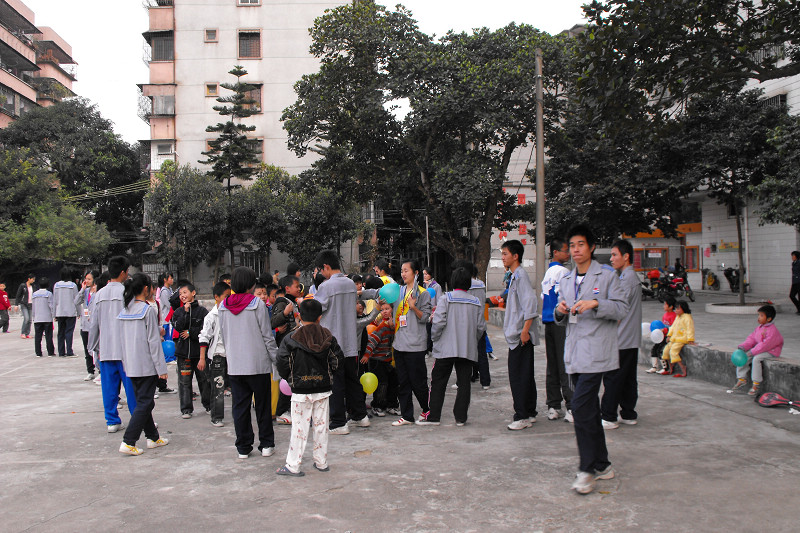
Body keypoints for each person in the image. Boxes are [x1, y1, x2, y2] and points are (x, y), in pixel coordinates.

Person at [554, 225, 627, 495]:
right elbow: (561, 317)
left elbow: (622, 308)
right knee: (589, 412)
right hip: (574, 354)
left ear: (592, 247)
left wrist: (595, 304)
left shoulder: (606, 277)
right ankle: (603, 464)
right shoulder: (566, 280)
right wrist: (560, 310)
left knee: (581, 408)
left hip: (597, 353)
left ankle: (586, 469)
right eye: (572, 245)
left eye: (581, 244)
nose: (575, 250)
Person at [275, 299, 345, 476]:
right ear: (320, 317)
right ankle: (321, 462)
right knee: (321, 426)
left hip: (300, 391)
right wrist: (328, 376)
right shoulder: (328, 337)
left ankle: (293, 466)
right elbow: (337, 360)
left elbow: (282, 362)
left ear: (299, 315)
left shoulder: (290, 338)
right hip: (323, 389)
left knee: (299, 429)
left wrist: (291, 379)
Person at [218, 267, 279, 459]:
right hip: (257, 363)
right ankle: (266, 444)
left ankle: (243, 447)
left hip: (236, 364)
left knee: (240, 407)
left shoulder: (223, 306)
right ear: (251, 284)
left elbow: (224, 334)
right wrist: (275, 359)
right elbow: (267, 336)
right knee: (262, 405)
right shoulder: (257, 304)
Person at [313, 250, 370, 434]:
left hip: (332, 342)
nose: (321, 274)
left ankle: (338, 422)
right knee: (352, 380)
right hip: (350, 341)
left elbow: (315, 310)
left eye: (321, 271)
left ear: (326, 267)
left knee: (335, 383)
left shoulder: (326, 287)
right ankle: (360, 415)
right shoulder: (350, 284)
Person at [422, 267, 486, 426]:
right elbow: (480, 327)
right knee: (464, 383)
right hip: (466, 349)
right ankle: (461, 417)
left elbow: (438, 322)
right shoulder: (475, 301)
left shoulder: (446, 298)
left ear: (453, 281)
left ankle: (434, 416)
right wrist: (472, 340)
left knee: (438, 382)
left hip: (445, 348)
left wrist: (434, 339)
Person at [117, 273, 170, 455]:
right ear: (147, 289)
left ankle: (153, 438)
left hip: (131, 364)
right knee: (145, 403)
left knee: (143, 402)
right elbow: (154, 343)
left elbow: (122, 341)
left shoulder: (125, 310)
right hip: (146, 365)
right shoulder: (147, 311)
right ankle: (128, 441)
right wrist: (161, 368)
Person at [380, 259, 432, 427]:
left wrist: (414, 307)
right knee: (403, 382)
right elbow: (387, 303)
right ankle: (407, 415)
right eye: (402, 271)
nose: (403, 274)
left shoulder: (423, 293)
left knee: (418, 382)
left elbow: (425, 318)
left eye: (406, 271)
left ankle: (426, 409)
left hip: (416, 345)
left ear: (416, 273)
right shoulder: (399, 291)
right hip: (399, 344)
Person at [89, 256, 137, 433]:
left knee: (109, 388)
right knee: (131, 386)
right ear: (123, 272)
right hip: (125, 350)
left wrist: (93, 347)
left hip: (106, 349)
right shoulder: (127, 293)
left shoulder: (99, 294)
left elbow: (93, 324)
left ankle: (112, 420)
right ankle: (137, 417)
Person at [600, 239, 642, 429]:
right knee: (627, 378)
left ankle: (608, 415)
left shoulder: (627, 280)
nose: (611, 259)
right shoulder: (630, 278)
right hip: (630, 338)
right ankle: (628, 412)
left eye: (615, 255)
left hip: (622, 338)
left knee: (613, 377)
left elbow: (617, 309)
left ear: (626, 257)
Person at [501, 239, 540, 430]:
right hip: (517, 334)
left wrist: (525, 331)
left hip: (520, 335)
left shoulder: (521, 276)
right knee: (526, 374)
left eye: (505, 254)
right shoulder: (514, 276)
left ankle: (522, 415)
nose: (503, 258)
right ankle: (530, 411)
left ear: (515, 256)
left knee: (518, 377)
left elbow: (531, 304)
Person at [541, 238, 573, 422]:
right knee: (564, 364)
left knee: (552, 364)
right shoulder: (564, 272)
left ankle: (553, 405)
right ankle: (571, 406)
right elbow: (566, 297)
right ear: (556, 252)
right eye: (565, 250)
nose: (568, 254)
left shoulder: (548, 273)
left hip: (547, 321)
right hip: (560, 322)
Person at [171, 282, 210, 418]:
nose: (182, 296)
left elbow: (206, 330)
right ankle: (186, 409)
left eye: (185, 292)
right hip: (183, 353)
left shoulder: (203, 312)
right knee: (184, 382)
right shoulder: (178, 312)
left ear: (193, 293)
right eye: (181, 294)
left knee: (204, 380)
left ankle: (208, 405)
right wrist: (186, 313)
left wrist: (190, 332)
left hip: (199, 353)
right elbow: (177, 326)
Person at [729, 305, 783, 396]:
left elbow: (765, 345)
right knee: (744, 356)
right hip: (761, 349)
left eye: (761, 315)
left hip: (772, 351)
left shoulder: (772, 330)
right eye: (759, 315)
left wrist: (752, 352)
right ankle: (741, 379)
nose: (759, 317)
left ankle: (756, 384)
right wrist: (744, 347)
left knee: (756, 359)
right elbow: (752, 339)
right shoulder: (759, 328)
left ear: (769, 319)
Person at [199, 281, 233, 427]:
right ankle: (216, 416)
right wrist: (202, 359)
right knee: (218, 387)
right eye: (225, 296)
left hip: (231, 355)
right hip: (217, 355)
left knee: (234, 386)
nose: (228, 299)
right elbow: (204, 337)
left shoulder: (232, 312)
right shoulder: (211, 317)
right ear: (217, 297)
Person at [272, 275, 302, 424]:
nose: (299, 288)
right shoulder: (282, 302)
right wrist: (284, 314)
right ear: (287, 288)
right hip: (286, 348)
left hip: (295, 346)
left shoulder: (294, 302)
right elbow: (272, 322)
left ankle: (290, 409)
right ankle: (281, 412)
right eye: (296, 286)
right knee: (287, 380)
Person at [360, 301, 397, 416]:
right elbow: (372, 341)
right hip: (378, 360)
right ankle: (377, 405)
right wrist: (367, 355)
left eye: (387, 309)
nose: (385, 311)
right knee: (382, 384)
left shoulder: (394, 326)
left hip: (390, 360)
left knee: (393, 383)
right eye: (382, 309)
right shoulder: (382, 326)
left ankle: (391, 404)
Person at [75, 270, 100, 380]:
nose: (87, 281)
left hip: (94, 324)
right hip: (85, 324)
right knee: (87, 349)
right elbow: (76, 302)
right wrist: (82, 290)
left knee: (97, 349)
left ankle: (99, 370)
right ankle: (90, 370)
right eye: (86, 279)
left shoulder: (99, 291)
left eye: (89, 279)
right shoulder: (85, 291)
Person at [660, 301, 694, 377]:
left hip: (681, 339)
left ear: (683, 309)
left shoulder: (687, 318)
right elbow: (672, 327)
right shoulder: (678, 317)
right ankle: (670, 368)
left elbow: (690, 329)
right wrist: (669, 335)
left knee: (673, 352)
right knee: (665, 351)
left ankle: (683, 368)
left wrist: (690, 339)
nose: (676, 310)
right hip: (674, 338)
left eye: (678, 309)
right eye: (676, 309)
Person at [53, 267, 79, 358]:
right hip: (70, 312)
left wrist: (54, 314)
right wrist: (79, 312)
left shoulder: (56, 285)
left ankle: (61, 352)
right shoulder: (73, 285)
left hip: (60, 312)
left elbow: (54, 300)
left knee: (60, 332)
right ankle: (69, 351)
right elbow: (76, 300)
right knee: (69, 332)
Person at [31, 277, 55, 357]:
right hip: (47, 318)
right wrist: (53, 315)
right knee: (48, 336)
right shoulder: (49, 294)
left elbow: (33, 307)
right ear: (48, 285)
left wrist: (34, 316)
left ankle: (38, 352)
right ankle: (50, 352)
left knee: (38, 336)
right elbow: (51, 305)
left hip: (37, 318)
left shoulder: (34, 294)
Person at [16, 273, 35, 339]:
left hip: (30, 304)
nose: (33, 280)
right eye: (32, 279)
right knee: (26, 318)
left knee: (30, 320)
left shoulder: (33, 286)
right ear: (29, 279)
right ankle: (23, 333)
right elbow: (18, 295)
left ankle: (27, 333)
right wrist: (16, 304)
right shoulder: (23, 286)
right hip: (24, 304)